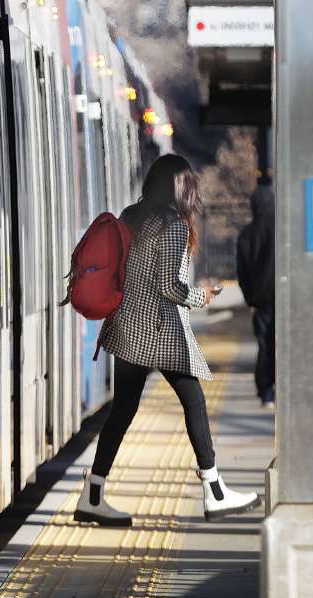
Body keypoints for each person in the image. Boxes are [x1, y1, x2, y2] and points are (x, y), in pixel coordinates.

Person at [74, 154, 261, 526]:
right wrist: (202, 295)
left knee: (123, 411)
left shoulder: (132, 215)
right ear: (182, 188)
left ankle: (92, 494)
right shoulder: (173, 225)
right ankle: (215, 491)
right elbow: (169, 287)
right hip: (158, 330)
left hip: (126, 326)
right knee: (194, 402)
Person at [237, 180, 275, 408]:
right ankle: (282, 387)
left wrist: (250, 298)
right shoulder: (282, 230)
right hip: (284, 298)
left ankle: (266, 392)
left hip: (260, 302)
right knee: (281, 343)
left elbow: (242, 272)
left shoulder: (246, 235)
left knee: (264, 344)